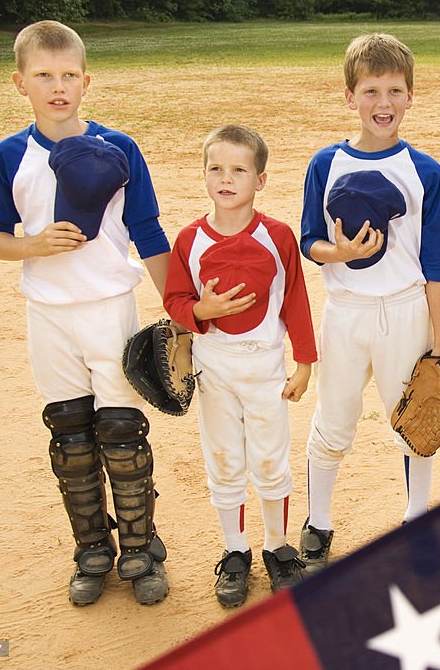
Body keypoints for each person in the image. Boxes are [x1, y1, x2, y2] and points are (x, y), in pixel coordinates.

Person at [0, 20, 171, 606]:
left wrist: (180, 307)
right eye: (43, 76)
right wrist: (34, 244)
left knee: (120, 430)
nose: (57, 87)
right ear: (21, 83)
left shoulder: (120, 148)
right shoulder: (10, 155)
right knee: (69, 433)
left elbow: (146, 229)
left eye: (67, 76)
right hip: (49, 312)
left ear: (86, 80)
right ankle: (91, 548)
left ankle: (139, 546)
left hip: (109, 305)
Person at [298, 33, 440, 574]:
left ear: (410, 96)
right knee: (334, 418)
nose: (382, 103)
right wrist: (334, 251)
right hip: (346, 311)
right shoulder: (326, 162)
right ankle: (317, 521)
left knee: (416, 418)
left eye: (394, 90)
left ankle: (417, 517)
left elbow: (435, 261)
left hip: (406, 310)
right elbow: (307, 240)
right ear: (349, 97)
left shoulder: (425, 171)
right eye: (369, 90)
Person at [164, 125, 317, 607]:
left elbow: (295, 299)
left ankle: (276, 545)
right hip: (214, 368)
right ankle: (235, 550)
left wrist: (305, 362)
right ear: (204, 175)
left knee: (271, 458)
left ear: (261, 179)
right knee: (225, 459)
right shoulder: (190, 239)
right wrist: (200, 313)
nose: (225, 179)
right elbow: (175, 300)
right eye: (215, 169)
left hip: (265, 366)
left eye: (238, 170)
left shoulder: (277, 236)